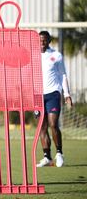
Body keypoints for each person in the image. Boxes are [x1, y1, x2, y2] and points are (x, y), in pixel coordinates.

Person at [36, 31, 73, 168]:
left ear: (49, 41)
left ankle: (59, 153)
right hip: (37, 95)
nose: (42, 42)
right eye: (40, 40)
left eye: (44, 40)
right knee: (42, 127)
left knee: (53, 124)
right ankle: (47, 157)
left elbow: (63, 75)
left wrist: (67, 94)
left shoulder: (56, 56)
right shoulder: (33, 56)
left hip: (53, 94)